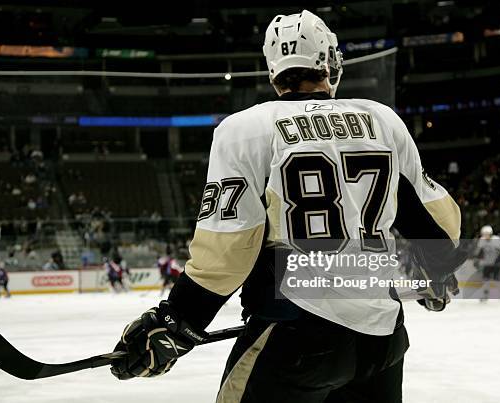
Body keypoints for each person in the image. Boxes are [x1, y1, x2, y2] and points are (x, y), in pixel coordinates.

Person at [108, 10, 465, 403]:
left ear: (274, 71)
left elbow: (227, 251)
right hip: (381, 343)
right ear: (329, 61)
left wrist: (177, 321)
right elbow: (434, 223)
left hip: (296, 334)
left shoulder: (246, 129)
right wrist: (436, 272)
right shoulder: (382, 120)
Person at [475, 225, 500, 301]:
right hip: (487, 262)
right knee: (485, 279)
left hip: (496, 262)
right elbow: (478, 251)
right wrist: (476, 258)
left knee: (497, 279)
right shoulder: (481, 240)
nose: (485, 236)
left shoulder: (496, 240)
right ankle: (485, 294)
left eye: (487, 234)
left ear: (491, 233)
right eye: (484, 234)